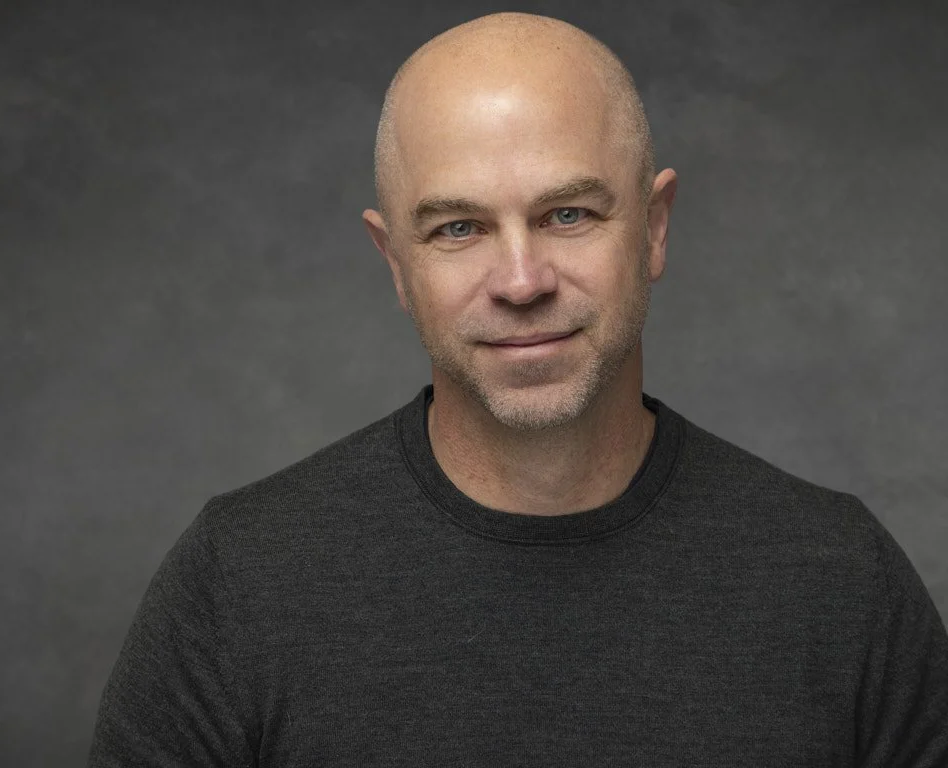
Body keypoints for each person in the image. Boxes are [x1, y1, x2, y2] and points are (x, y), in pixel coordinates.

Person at [88, 12, 948, 767]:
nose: (522, 279)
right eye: (458, 228)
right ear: (396, 266)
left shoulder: (840, 581)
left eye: (567, 214)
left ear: (653, 229)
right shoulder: (237, 583)